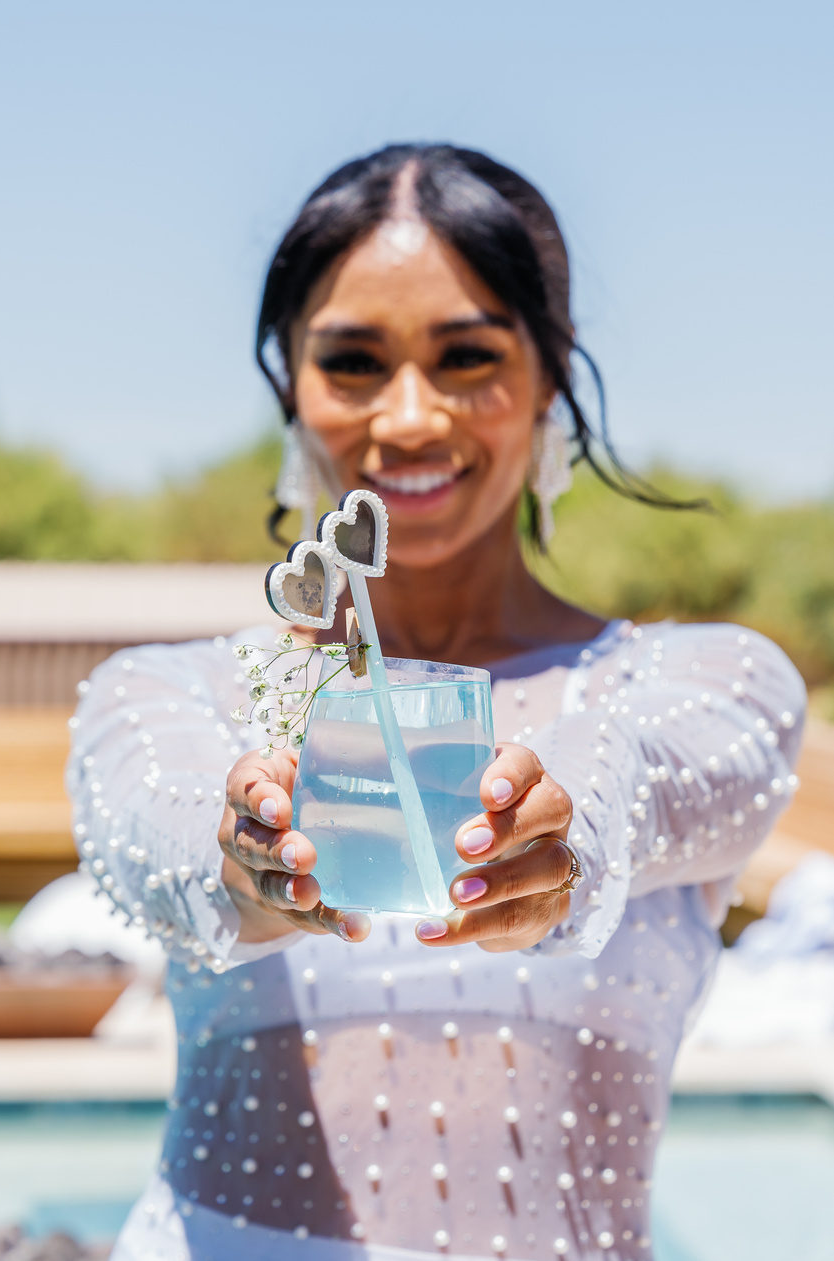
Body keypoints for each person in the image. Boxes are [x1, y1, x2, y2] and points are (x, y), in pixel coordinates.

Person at [68, 144, 805, 1261]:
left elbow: (645, 773)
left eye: (467, 357)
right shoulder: (175, 694)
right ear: (291, 387)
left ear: (551, 376)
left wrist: (567, 834)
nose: (408, 418)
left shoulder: (704, 682)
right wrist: (243, 863)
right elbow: (159, 835)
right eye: (353, 362)